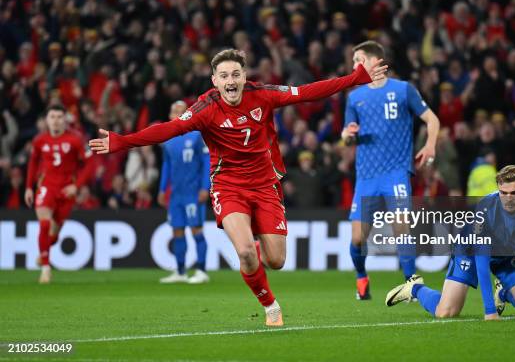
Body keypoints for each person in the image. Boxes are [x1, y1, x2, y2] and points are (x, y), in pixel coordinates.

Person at [89, 49, 387, 326]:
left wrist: (355, 78)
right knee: (245, 252)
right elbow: (168, 129)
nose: (230, 81)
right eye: (224, 76)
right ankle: (271, 305)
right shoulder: (206, 107)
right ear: (215, 81)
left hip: (265, 185)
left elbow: (308, 92)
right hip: (228, 186)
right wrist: (123, 141)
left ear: (244, 76)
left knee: (276, 261)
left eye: (235, 75)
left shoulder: (263, 95)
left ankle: (254, 242)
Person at [341, 41, 439, 300]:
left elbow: (432, 119)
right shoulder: (355, 97)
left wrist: (430, 145)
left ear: (374, 61)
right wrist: (349, 136)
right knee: (358, 239)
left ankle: (410, 283)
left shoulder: (404, 90)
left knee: (402, 228)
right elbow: (346, 133)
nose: (353, 66)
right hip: (366, 177)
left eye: (357, 59)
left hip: (396, 172)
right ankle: (361, 276)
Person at [386, 165, 515, 320]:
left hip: (508, 255)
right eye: (503, 193)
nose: (509, 198)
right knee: (445, 312)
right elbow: (482, 262)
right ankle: (415, 287)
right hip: (470, 253)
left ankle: (504, 293)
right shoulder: (486, 210)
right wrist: (490, 311)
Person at [25, 105, 95, 284]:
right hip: (46, 187)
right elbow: (33, 163)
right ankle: (46, 269)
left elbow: (90, 164)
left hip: (66, 190)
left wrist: (76, 187)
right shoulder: (40, 140)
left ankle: (45, 251)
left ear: (65, 119)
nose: (55, 120)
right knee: (44, 224)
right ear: (47, 120)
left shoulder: (76, 139)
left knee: (54, 234)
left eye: (59, 117)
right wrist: (28, 187)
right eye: (52, 117)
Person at [157, 100, 211, 284]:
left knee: (196, 229)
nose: (178, 113)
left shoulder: (197, 135)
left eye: (182, 110)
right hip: (176, 194)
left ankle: (201, 270)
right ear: (170, 116)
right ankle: (180, 272)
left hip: (193, 192)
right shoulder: (168, 139)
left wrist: (205, 187)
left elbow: (206, 162)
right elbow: (166, 165)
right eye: (175, 110)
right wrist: (162, 189)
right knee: (177, 231)